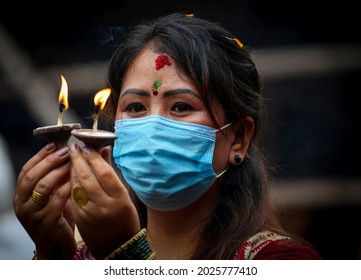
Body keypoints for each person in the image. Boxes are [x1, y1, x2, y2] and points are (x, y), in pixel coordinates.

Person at [13, 13, 321, 260]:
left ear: (238, 137)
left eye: (180, 106)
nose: (153, 126)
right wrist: (53, 254)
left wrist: (126, 254)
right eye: (135, 107)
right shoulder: (83, 259)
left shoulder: (282, 261)